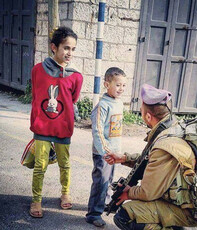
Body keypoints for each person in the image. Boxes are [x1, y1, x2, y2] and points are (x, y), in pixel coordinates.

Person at [104, 84, 197, 230]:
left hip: (196, 209)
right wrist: (125, 158)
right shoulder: (174, 127)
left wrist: (128, 193)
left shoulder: (165, 144)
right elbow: (150, 160)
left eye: (141, 110)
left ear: (148, 116)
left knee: (126, 215)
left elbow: (147, 192)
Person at [29, 26, 83, 218]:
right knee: (40, 165)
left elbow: (73, 99)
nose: (70, 53)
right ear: (54, 47)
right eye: (66, 48)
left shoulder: (76, 76)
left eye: (73, 49)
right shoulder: (38, 70)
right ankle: (36, 200)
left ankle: (65, 193)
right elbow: (36, 95)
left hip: (63, 126)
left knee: (64, 163)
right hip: (43, 126)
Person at [85, 67, 127, 227]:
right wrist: (105, 151)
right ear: (106, 84)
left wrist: (116, 151)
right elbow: (97, 130)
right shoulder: (102, 105)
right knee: (101, 181)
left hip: (114, 152)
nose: (121, 89)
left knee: (109, 181)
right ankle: (93, 214)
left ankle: (106, 204)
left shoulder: (119, 103)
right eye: (117, 85)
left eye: (123, 85)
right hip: (103, 153)